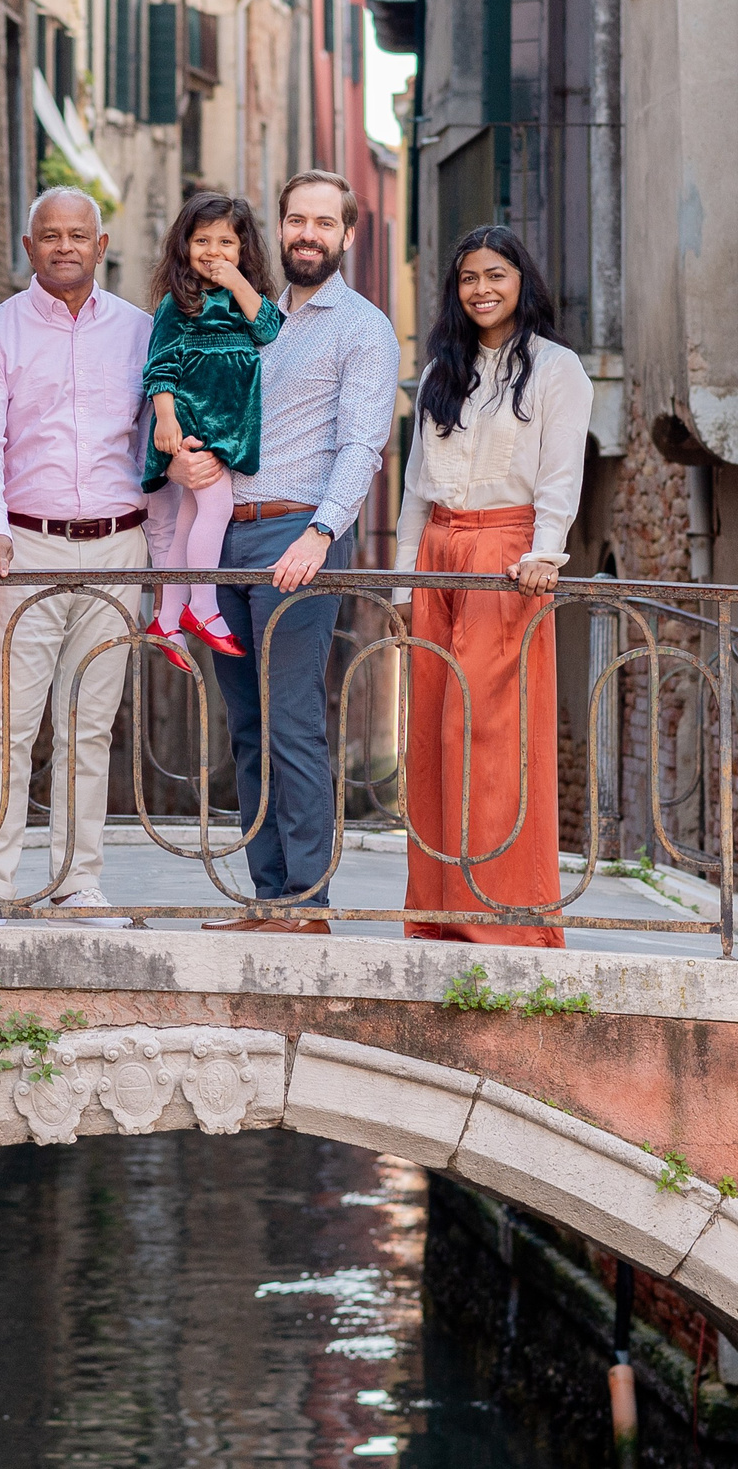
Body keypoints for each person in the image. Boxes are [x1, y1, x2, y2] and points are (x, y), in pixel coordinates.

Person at [170, 170, 398, 936]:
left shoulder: (361, 326)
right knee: (244, 725)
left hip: (298, 536)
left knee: (292, 718)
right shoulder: (239, 316)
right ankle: (266, 895)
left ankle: (308, 902)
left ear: (347, 234)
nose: (308, 233)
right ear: (280, 227)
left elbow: (364, 444)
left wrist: (321, 534)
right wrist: (180, 460)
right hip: (222, 531)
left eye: (323, 223)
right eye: (296, 219)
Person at [0, 187, 162, 917]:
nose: (65, 246)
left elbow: (155, 441)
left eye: (79, 235)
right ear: (28, 246)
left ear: (101, 246)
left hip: (116, 544)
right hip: (23, 544)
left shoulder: (143, 332)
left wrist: (160, 549)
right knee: (7, 720)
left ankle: (77, 880)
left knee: (90, 722)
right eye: (51, 235)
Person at [394, 225, 593, 948]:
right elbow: (416, 488)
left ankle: (505, 920)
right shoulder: (442, 372)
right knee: (431, 741)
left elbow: (561, 474)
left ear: (521, 282)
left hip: (507, 556)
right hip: (437, 557)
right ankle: (440, 913)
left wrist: (547, 551)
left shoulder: (555, 369)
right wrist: (400, 584)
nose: (482, 288)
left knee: (488, 733)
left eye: (496, 275)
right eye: (470, 277)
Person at [140, 192, 284, 664]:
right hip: (194, 423)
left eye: (227, 242)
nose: (214, 251)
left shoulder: (243, 302)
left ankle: (167, 618)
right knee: (217, 508)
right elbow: (160, 366)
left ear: (244, 251)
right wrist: (165, 420)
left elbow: (268, 328)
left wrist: (239, 281)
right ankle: (202, 607)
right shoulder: (178, 303)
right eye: (202, 240)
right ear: (184, 246)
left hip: (229, 423)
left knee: (188, 518)